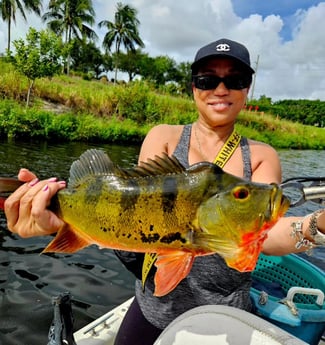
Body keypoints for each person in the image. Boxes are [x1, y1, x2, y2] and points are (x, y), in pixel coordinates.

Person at [4, 38, 325, 345]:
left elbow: (266, 233)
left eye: (236, 79)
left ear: (247, 88)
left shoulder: (260, 154)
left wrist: (316, 225)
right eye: (207, 80)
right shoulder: (164, 137)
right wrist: (57, 222)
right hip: (155, 307)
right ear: (193, 87)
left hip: (226, 310)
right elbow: (131, 219)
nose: (221, 89)